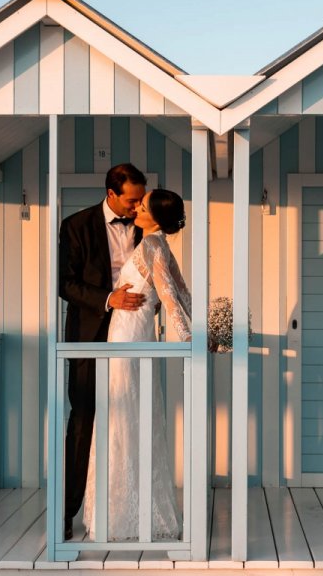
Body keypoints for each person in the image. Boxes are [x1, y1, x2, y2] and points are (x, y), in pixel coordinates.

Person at [83, 188, 190, 541]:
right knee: (128, 415)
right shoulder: (158, 245)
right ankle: (126, 509)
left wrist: (192, 338)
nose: (136, 208)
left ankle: (120, 517)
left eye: (142, 206)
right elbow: (182, 292)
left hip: (128, 338)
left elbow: (172, 296)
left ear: (154, 217)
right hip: (130, 332)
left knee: (122, 417)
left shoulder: (151, 246)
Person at [59, 163, 148, 541]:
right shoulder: (75, 225)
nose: (138, 205)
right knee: (84, 420)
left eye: (141, 198)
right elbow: (66, 284)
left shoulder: (146, 225)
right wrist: (109, 299)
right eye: (132, 199)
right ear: (111, 193)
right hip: (89, 334)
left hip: (133, 336)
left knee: (129, 418)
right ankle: (66, 511)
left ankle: (122, 507)